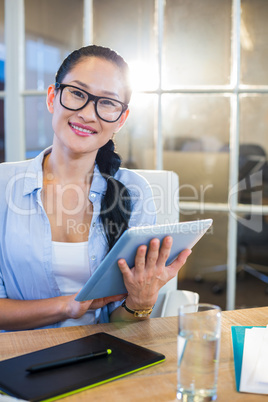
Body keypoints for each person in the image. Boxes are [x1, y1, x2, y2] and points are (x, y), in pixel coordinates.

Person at [0, 45, 191, 331]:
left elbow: (121, 325)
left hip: (98, 355)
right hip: (15, 358)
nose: (89, 114)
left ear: (121, 120)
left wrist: (140, 303)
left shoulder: (134, 192)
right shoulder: (4, 185)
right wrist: (69, 306)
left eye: (107, 103)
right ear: (53, 98)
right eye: (77, 93)